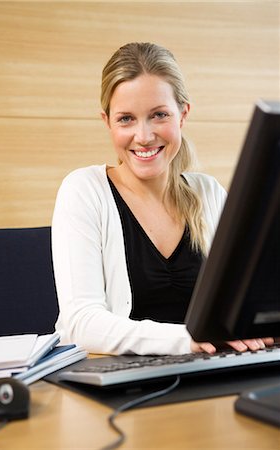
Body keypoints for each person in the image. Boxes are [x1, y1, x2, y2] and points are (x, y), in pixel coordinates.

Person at [52, 42, 273, 356]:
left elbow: (247, 302)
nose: (143, 136)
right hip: (117, 386)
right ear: (107, 122)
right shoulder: (84, 191)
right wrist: (187, 340)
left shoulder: (208, 193)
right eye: (126, 119)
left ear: (183, 115)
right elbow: (81, 324)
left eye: (159, 115)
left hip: (209, 373)